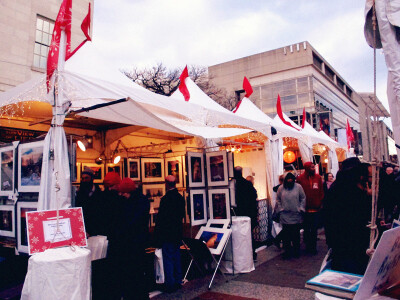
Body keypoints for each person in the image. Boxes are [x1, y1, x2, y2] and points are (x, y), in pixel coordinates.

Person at [323, 157, 371, 275]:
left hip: (343, 241)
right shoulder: (348, 189)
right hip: (348, 242)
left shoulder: (341, 186)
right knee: (349, 271)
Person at [107, 178, 150, 300]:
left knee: (133, 277)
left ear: (128, 191)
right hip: (136, 245)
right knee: (136, 276)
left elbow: (128, 224)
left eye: (122, 193)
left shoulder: (134, 204)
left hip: (132, 246)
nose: (120, 195)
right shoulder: (140, 201)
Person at [154, 175, 185, 293]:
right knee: (177, 257)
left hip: (167, 233)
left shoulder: (165, 199)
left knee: (168, 259)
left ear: (166, 184)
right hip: (177, 232)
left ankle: (170, 283)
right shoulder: (180, 198)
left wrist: (158, 235)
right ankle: (178, 280)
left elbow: (161, 219)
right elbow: (181, 215)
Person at [275, 172, 306, 258]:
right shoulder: (281, 188)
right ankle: (287, 252)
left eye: (291, 180)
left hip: (296, 215)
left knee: (296, 234)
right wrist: (280, 209)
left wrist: (301, 208)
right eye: (288, 180)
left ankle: (296, 251)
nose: (290, 181)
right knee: (286, 236)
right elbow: (278, 199)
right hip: (285, 215)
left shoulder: (298, 187)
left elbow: (303, 198)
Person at [296, 162, 324, 254]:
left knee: (314, 229)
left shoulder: (318, 177)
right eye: (312, 167)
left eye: (313, 167)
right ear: (307, 168)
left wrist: (320, 202)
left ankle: (313, 247)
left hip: (316, 208)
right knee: (307, 229)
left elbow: (321, 191)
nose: (313, 168)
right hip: (305, 209)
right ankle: (308, 246)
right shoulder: (300, 178)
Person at [234, 166, 258, 260]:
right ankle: (252, 254)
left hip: (238, 213)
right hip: (248, 213)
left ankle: (243, 255)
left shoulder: (233, 185)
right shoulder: (247, 184)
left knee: (240, 236)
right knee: (249, 235)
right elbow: (253, 198)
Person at [75, 166, 102, 236]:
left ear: (92, 178)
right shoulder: (79, 195)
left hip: (97, 229)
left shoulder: (100, 194)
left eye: (86, 178)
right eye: (83, 178)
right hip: (84, 230)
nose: (84, 180)